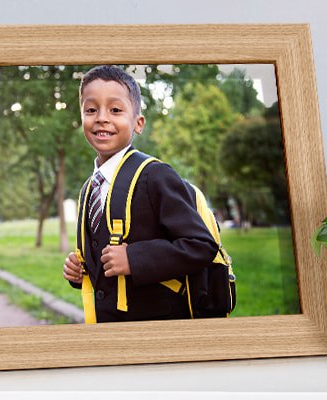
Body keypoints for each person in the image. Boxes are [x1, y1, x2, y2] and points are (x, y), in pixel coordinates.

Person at [62, 65, 218, 322]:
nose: (101, 117)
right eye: (91, 110)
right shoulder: (89, 189)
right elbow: (103, 267)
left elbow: (201, 245)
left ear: (138, 123)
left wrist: (134, 258)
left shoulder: (156, 176)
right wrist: (80, 273)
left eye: (115, 110)